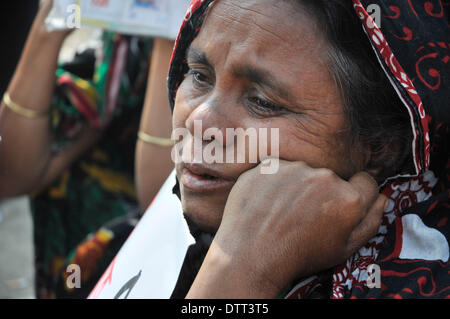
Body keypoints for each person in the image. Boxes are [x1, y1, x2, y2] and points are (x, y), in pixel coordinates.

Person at [160, 0, 448, 298]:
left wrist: (243, 265)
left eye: (263, 102)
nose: (198, 122)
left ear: (378, 150)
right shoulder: (147, 240)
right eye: (199, 76)